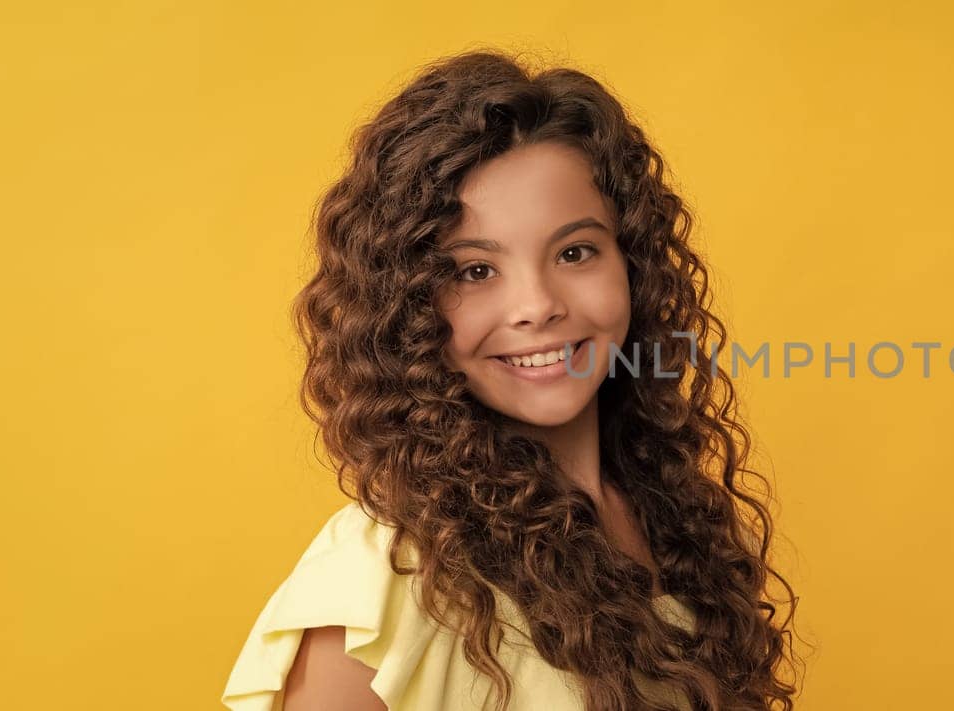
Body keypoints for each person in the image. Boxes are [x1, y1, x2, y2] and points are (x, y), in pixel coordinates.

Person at [220, 48, 802, 711]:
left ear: (632, 266)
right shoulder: (387, 581)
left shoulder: (669, 517)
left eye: (575, 252)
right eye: (475, 270)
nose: (537, 304)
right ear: (409, 306)